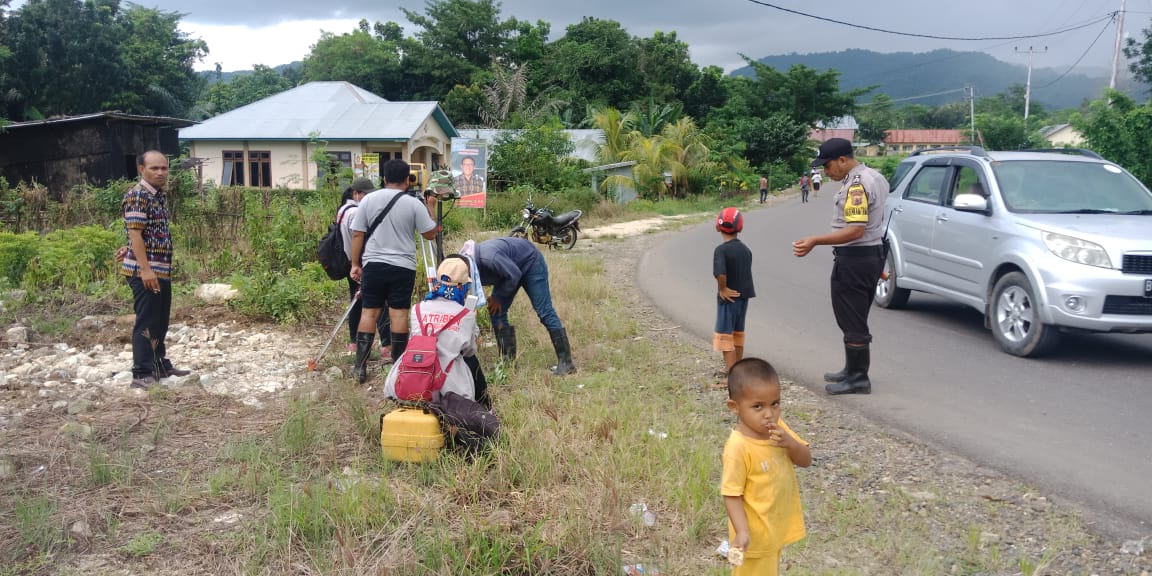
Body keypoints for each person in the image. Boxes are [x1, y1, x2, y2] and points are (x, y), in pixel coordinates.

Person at [792, 137, 889, 395]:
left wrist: (815, 240)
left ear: (843, 160)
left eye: (828, 165)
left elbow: (855, 231)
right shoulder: (875, 177)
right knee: (852, 315)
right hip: (870, 255)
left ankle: (858, 377)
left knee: (852, 317)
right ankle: (851, 369)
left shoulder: (856, 186)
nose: (825, 171)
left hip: (856, 258)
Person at [349, 159, 440, 384]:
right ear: (408, 181)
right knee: (398, 314)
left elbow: (358, 234)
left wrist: (354, 264)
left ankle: (360, 367)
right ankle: (398, 366)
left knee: (369, 312)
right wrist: (431, 207)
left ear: (384, 179)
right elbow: (430, 234)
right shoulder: (413, 204)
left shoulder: (368, 200)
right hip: (402, 266)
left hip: (374, 265)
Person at [721, 358, 811, 576]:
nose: (769, 413)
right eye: (758, 406)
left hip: (775, 530)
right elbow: (731, 494)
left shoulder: (778, 429)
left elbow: (806, 460)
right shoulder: (738, 447)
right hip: (754, 539)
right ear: (735, 407)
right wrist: (741, 531)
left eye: (775, 403)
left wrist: (790, 443)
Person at [120, 151, 191, 389]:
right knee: (147, 320)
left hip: (160, 269)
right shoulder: (138, 196)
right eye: (154, 168)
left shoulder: (158, 196)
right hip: (146, 271)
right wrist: (145, 269)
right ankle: (141, 373)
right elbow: (135, 233)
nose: (160, 172)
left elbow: (140, 232)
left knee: (160, 319)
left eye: (163, 168)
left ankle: (159, 365)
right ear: (142, 169)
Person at [383, 255, 489, 407]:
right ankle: (485, 407)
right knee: (469, 362)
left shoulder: (417, 309)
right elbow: (469, 351)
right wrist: (470, 322)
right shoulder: (465, 315)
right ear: (464, 286)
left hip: (410, 379)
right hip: (450, 388)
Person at [471, 236, 575, 375]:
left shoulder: (489, 258)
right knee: (496, 310)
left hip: (531, 263)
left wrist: (497, 297)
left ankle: (566, 363)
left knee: (544, 311)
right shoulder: (465, 265)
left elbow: (514, 274)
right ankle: (508, 363)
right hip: (510, 271)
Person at [339, 178, 390, 358]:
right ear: (356, 193)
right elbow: (358, 237)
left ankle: (354, 342)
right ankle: (387, 345)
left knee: (357, 303)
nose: (369, 197)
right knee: (380, 303)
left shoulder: (343, 210)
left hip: (350, 262)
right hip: (362, 264)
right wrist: (358, 264)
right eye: (366, 194)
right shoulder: (355, 213)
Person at [713, 207, 755, 380]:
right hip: (743, 298)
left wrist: (722, 289)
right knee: (738, 334)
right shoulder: (746, 250)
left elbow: (720, 273)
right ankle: (738, 369)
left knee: (725, 336)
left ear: (717, 227)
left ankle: (732, 376)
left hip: (728, 299)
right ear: (740, 228)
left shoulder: (721, 250)